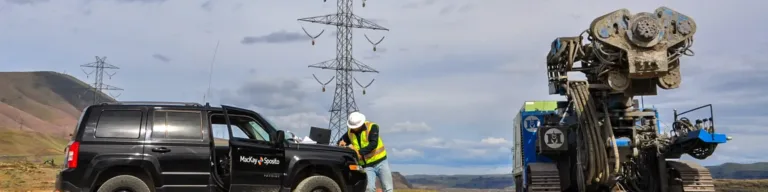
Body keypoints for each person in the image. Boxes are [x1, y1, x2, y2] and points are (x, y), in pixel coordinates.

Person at [337, 111, 393, 192]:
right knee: (369, 189)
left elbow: (373, 144)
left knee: (388, 188)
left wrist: (358, 152)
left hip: (381, 162)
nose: (353, 128)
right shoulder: (350, 133)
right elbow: (341, 141)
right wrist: (341, 143)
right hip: (366, 166)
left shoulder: (372, 127)